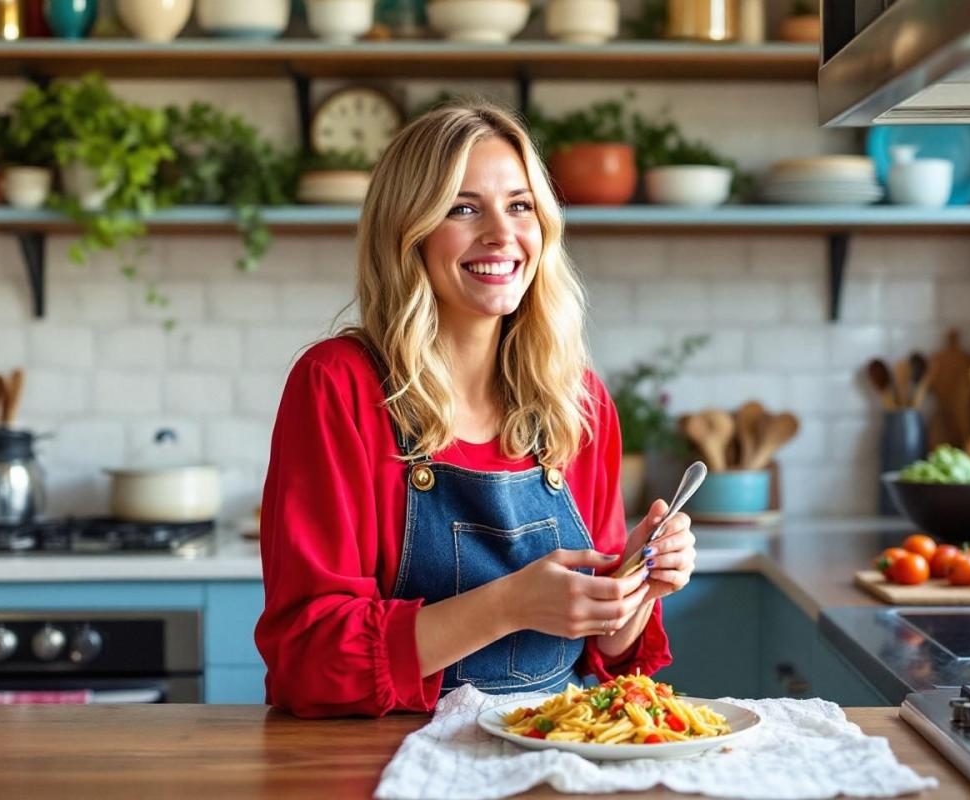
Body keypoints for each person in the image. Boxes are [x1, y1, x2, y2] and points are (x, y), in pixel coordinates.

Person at [254, 101, 697, 718]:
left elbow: (609, 653)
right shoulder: (340, 386)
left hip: (556, 753)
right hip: (392, 762)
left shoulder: (580, 401)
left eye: (520, 206)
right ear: (406, 231)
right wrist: (507, 604)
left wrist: (638, 586)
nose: (501, 233)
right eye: (464, 208)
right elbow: (309, 659)